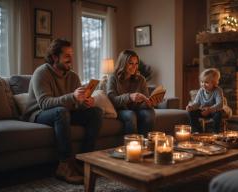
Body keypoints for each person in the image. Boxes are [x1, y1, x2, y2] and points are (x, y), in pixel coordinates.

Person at [24, 38, 102, 184]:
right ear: (55, 57)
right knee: (61, 112)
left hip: (64, 113)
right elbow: (44, 103)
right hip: (38, 114)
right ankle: (64, 166)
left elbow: (75, 105)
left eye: (71, 55)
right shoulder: (41, 73)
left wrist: (85, 102)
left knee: (96, 112)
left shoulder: (73, 76)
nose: (71, 59)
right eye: (67, 56)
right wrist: (72, 96)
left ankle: (81, 161)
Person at [107, 50, 155, 137]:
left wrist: (149, 103)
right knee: (130, 115)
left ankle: (146, 144)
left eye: (136, 63)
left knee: (150, 113)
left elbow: (144, 101)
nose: (134, 66)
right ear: (123, 63)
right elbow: (112, 99)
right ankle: (131, 146)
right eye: (131, 63)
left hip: (136, 109)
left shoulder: (141, 79)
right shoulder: (113, 78)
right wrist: (129, 97)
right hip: (120, 110)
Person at [186, 68, 224, 133]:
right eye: (202, 82)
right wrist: (191, 107)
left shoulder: (217, 90)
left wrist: (210, 110)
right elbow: (197, 103)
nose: (203, 84)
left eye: (206, 82)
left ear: (214, 83)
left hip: (213, 111)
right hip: (203, 111)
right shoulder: (201, 91)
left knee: (218, 114)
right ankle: (197, 130)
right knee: (191, 112)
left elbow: (220, 104)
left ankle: (215, 132)